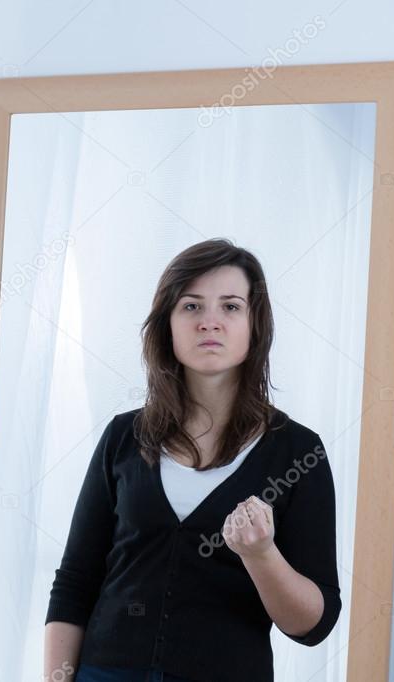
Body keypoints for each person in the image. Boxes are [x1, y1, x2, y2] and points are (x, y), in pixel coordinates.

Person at [42, 239, 341, 682]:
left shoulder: (298, 452)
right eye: (191, 306)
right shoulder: (123, 438)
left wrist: (261, 555)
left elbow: (313, 625)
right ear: (167, 324)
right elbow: (74, 583)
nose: (209, 322)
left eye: (231, 307)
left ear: (255, 325)